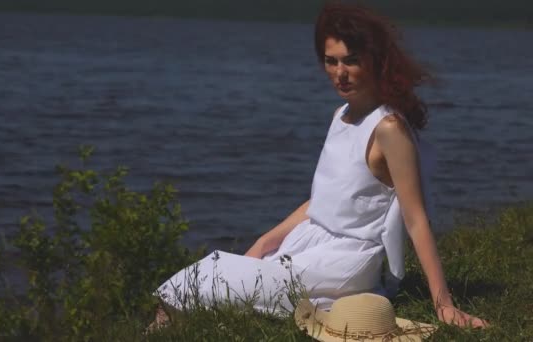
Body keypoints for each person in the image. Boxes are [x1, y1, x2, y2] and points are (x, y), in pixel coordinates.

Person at [155, 2, 488, 329]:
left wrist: (444, 305)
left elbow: (416, 219)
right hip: (310, 243)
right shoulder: (341, 115)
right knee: (210, 284)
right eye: (331, 62)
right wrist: (264, 241)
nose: (339, 73)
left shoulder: (388, 129)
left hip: (344, 261)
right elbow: (322, 203)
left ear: (375, 61)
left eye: (351, 61)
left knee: (199, 278)